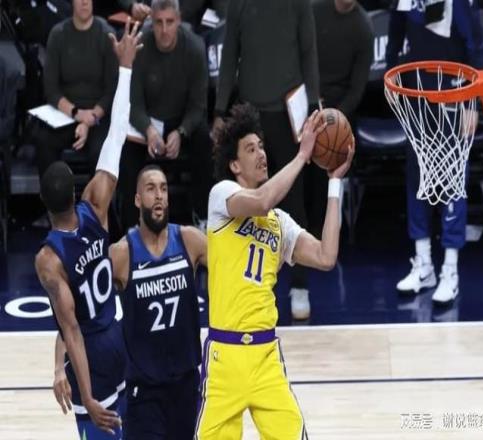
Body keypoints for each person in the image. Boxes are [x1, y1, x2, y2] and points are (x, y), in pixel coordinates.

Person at [195, 104, 354, 438]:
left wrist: (334, 183)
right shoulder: (222, 197)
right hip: (225, 357)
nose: (261, 154)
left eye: (262, 147)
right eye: (251, 149)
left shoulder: (280, 224)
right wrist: (303, 155)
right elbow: (261, 201)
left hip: (266, 356)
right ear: (235, 165)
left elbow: (326, 256)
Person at [34, 20, 142, 439]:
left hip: (94, 353)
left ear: (44, 202)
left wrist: (88, 394)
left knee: (100, 426)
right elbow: (116, 135)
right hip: (119, 335)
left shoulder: (48, 259)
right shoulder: (96, 206)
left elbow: (71, 328)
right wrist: (126, 68)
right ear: (75, 191)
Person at [54, 165, 207, 439]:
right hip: (143, 391)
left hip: (186, 385)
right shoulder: (121, 254)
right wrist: (58, 367)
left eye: (163, 189)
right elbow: (77, 312)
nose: (158, 195)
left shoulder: (190, 240)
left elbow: (232, 266)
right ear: (137, 199)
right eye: (151, 188)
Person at [214, 0, 321, 320]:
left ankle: (299, 284)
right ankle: (252, 280)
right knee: (248, 200)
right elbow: (229, 55)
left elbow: (309, 51)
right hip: (250, 115)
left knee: (293, 198)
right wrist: (220, 109)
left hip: (288, 114)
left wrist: (312, 104)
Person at [386, 0, 483, 303]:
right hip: (417, 94)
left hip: (453, 93)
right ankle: (424, 263)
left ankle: (450, 270)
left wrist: (474, 103)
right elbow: (394, 36)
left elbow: (477, 46)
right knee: (417, 180)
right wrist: (391, 79)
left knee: (453, 183)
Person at [120, 0, 212, 231]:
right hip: (148, 121)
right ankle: (131, 225)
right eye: (158, 22)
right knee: (126, 148)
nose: (164, 29)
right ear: (151, 22)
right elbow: (133, 103)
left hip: (181, 120)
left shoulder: (194, 48)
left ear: (178, 21)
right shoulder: (141, 46)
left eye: (169, 22)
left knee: (204, 138)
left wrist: (182, 132)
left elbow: (198, 105)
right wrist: (148, 130)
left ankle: (202, 214)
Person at [309, 0, 373, 236]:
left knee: (332, 145)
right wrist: (312, 99)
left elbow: (357, 90)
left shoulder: (363, 28)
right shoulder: (315, 10)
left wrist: (332, 116)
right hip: (308, 94)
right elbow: (301, 56)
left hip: (341, 106)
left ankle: (327, 231)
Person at [36, 0, 119, 180]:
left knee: (100, 151)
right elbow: (51, 89)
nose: (84, 2)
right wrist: (77, 114)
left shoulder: (106, 34)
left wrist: (89, 120)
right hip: (67, 112)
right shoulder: (58, 34)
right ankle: (54, 196)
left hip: (98, 115)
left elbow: (111, 89)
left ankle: (97, 198)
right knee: (43, 140)